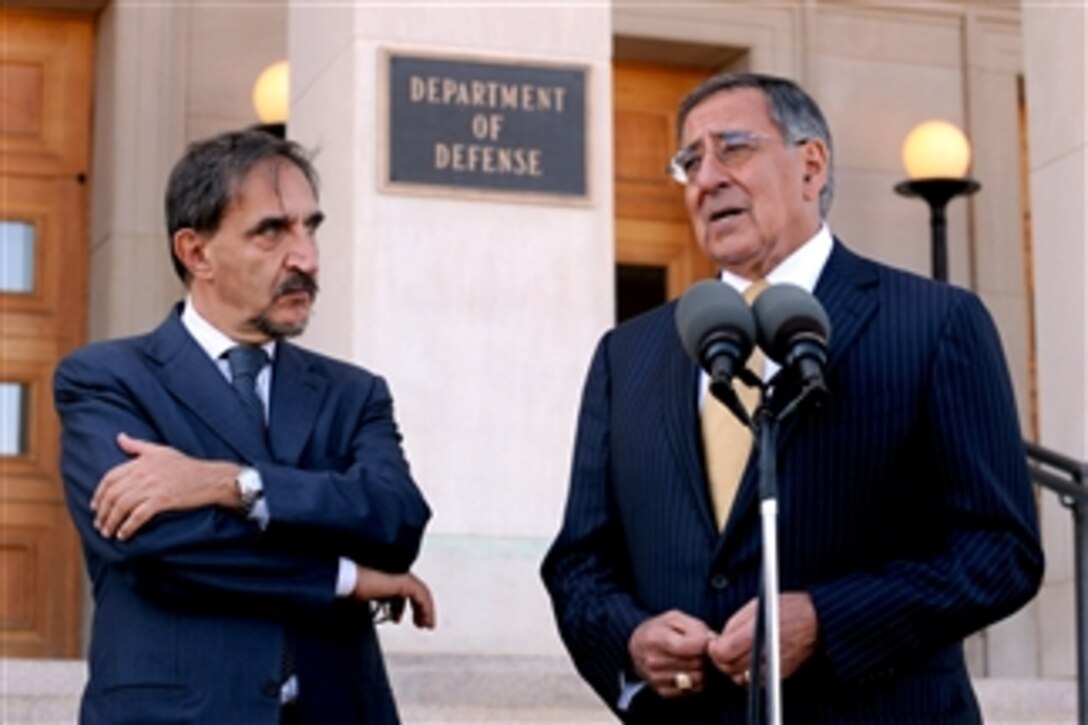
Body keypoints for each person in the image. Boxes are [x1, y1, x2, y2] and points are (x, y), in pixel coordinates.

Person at [541, 72, 1044, 723]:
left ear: (811, 167)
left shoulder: (932, 321)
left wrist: (828, 619)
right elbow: (580, 559)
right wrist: (630, 639)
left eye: (734, 148)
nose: (707, 176)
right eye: (690, 160)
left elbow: (1001, 549)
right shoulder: (627, 354)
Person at [54, 129, 434, 725]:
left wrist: (235, 485)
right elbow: (159, 549)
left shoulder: (354, 393)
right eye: (273, 231)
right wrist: (345, 576)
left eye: (311, 228)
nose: (305, 257)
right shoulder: (107, 379)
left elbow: (395, 519)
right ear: (196, 252)